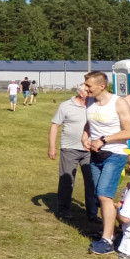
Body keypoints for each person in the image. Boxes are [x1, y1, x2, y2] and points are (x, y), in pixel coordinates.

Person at [83, 71, 130, 255]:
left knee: (105, 195)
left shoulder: (118, 102)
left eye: (89, 85)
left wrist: (104, 139)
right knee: (101, 198)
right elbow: (89, 124)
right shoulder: (90, 101)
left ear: (102, 86)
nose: (85, 88)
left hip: (115, 154)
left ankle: (107, 241)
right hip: (96, 154)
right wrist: (85, 136)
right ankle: (113, 232)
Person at [48, 84, 97, 222]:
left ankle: (92, 213)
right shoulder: (65, 106)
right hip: (69, 149)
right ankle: (64, 211)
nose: (91, 93)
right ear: (81, 93)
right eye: (88, 91)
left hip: (90, 149)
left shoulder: (94, 106)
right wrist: (52, 147)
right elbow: (54, 127)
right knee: (67, 181)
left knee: (91, 182)